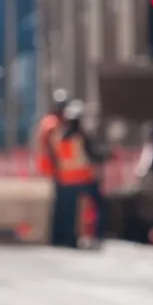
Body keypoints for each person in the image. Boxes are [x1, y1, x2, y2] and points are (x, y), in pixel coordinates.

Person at [47, 100, 106, 247]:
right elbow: (91, 156)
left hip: (65, 180)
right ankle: (98, 236)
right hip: (84, 179)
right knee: (102, 206)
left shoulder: (58, 136)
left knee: (68, 213)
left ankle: (68, 239)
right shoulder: (80, 137)